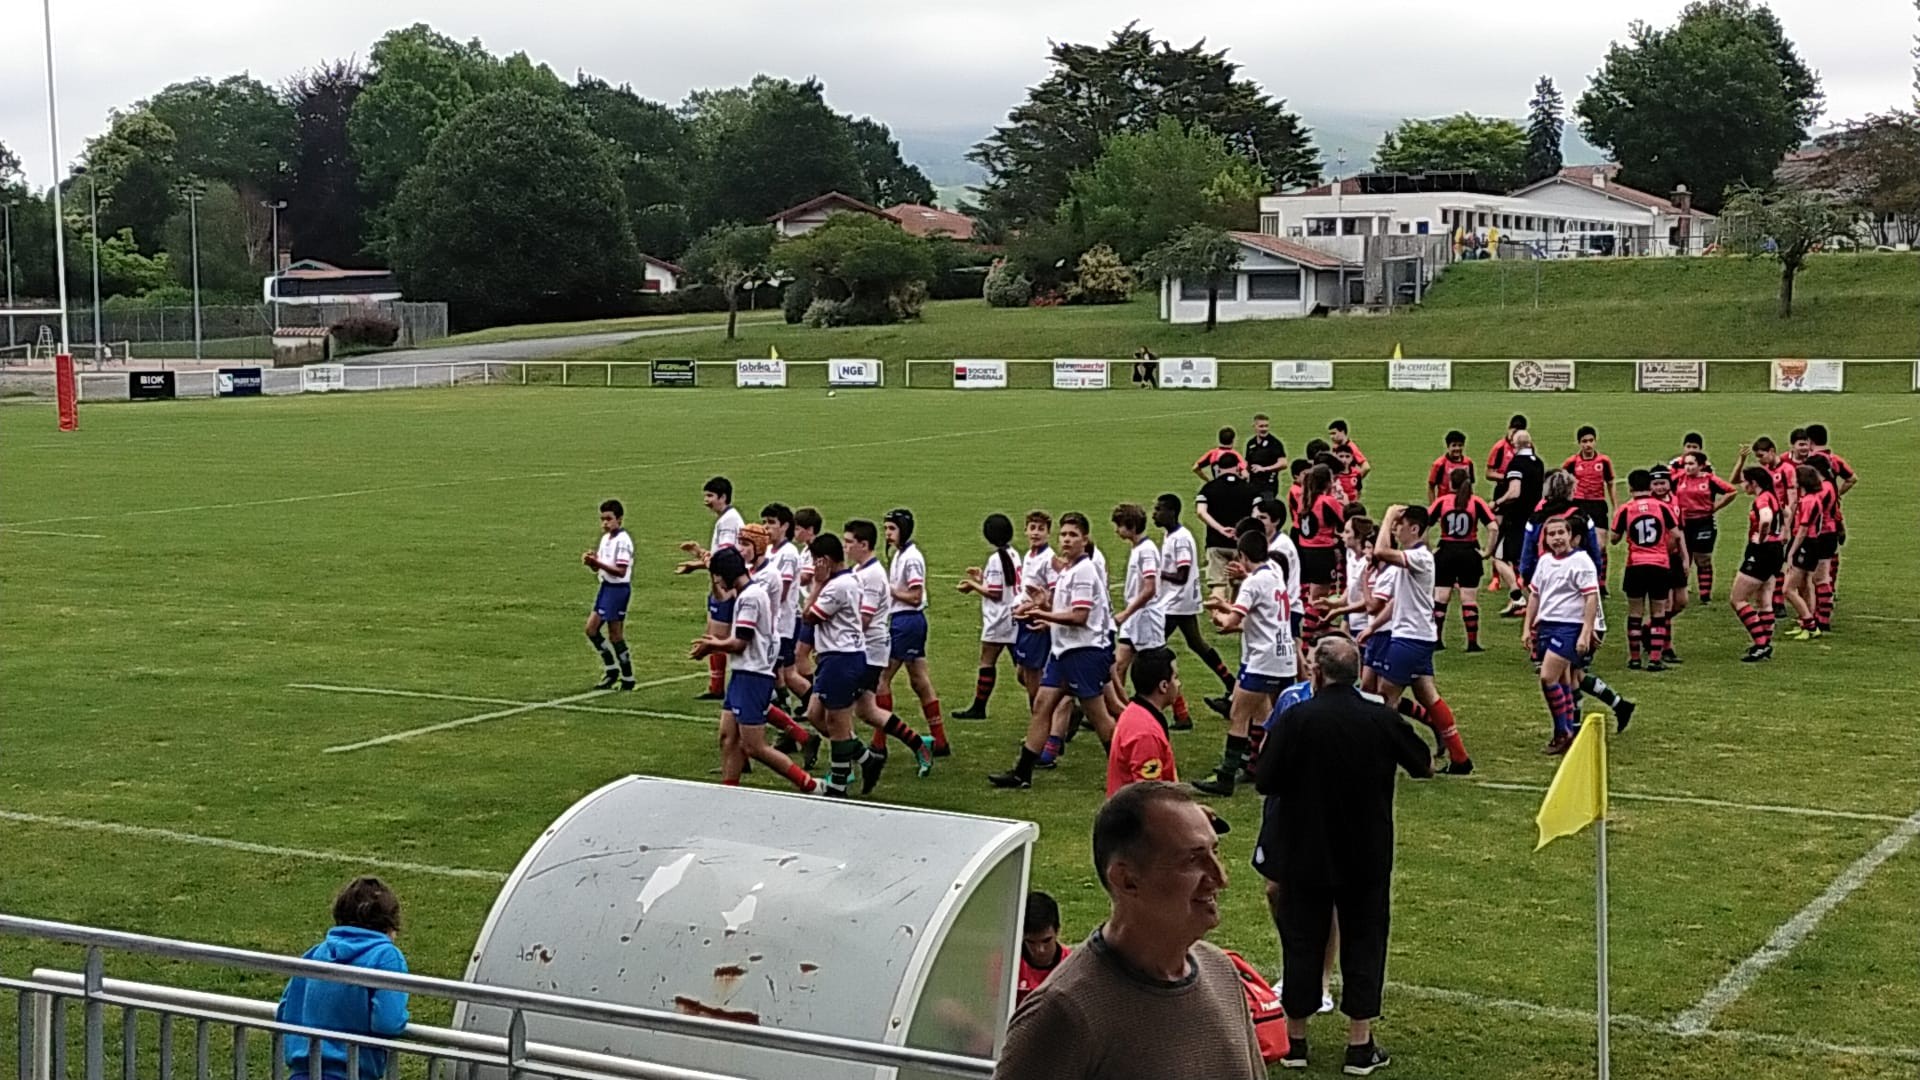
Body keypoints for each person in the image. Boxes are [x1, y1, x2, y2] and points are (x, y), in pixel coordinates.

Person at [992, 782, 1262, 1080]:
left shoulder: (1221, 971)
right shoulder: (1064, 1012)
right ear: (1126, 880)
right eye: (1192, 859)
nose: (1220, 878)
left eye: (1215, 852)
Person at [1254, 637, 1431, 1076]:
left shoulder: (1296, 719)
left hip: (1304, 850)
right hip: (1365, 852)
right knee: (1365, 942)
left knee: (1301, 942)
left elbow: (1265, 778)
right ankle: (1359, 1043)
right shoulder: (1379, 718)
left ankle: (1296, 1042)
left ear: (1316, 672)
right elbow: (1423, 762)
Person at [989, 513, 1118, 789]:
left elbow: (1080, 616)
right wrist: (1045, 609)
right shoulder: (1069, 570)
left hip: (1083, 652)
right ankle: (1023, 772)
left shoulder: (1083, 571)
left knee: (1098, 715)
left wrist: (1044, 616)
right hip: (1063, 652)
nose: (1067, 540)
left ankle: (1126, 770)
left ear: (1085, 540)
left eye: (1073, 535)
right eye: (1064, 534)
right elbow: (1066, 611)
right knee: (1041, 705)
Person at [692, 549, 819, 792]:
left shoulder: (750, 598)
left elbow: (740, 641)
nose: (717, 581)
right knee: (727, 737)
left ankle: (810, 785)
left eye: (718, 576)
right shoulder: (747, 593)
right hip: (743, 674)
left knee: (755, 747)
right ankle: (730, 791)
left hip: (753, 675)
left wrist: (712, 646)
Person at [1194, 526, 1296, 797]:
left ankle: (1225, 777)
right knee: (1273, 715)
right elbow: (1260, 613)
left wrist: (1218, 614)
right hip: (1285, 655)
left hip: (1263, 659)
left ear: (1241, 555)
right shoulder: (1274, 572)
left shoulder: (1252, 583)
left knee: (1239, 714)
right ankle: (1266, 766)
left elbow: (1231, 623)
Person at [1372, 505, 1473, 775]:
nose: (1395, 528)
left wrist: (1387, 515)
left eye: (1400, 524)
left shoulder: (1420, 557)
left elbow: (1380, 551)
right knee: (1428, 696)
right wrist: (1374, 626)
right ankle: (1460, 758)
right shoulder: (1416, 557)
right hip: (1418, 637)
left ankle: (1394, 759)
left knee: (1385, 699)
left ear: (1414, 528)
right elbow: (1400, 599)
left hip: (1409, 639)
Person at [277, 877, 411, 1080]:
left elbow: (285, 1008)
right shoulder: (386, 955)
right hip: (352, 1072)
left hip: (304, 1072)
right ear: (390, 925)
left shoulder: (316, 952)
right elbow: (388, 1022)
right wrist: (403, 1018)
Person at [848, 519, 933, 790]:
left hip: (880, 640)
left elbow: (866, 617)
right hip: (871, 641)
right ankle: (914, 745)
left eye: (892, 528)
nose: (888, 534)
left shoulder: (876, 574)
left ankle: (852, 765)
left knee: (840, 709)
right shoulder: (866, 568)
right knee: (865, 709)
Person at [1523, 518, 1601, 755]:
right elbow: (1535, 596)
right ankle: (1569, 729)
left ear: (1570, 536)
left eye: (1561, 533)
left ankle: (1561, 731)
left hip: (1568, 627)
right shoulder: (1545, 561)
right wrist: (1527, 627)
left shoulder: (1581, 561)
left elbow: (1591, 597)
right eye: (1551, 534)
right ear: (1545, 539)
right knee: (1564, 680)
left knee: (1548, 678)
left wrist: (1586, 631)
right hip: (1546, 625)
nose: (1556, 538)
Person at [1154, 494, 1235, 717]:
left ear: (1172, 512)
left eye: (1158, 509)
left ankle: (1179, 710)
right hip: (1181, 601)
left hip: (1176, 603)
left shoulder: (1180, 539)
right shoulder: (1171, 536)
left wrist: (1156, 572)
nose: (1154, 514)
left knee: (1151, 649)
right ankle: (1231, 684)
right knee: (1197, 644)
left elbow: (1181, 575)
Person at [800, 532, 867, 797]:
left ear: (825, 561)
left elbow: (808, 617)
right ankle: (865, 758)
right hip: (834, 657)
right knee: (815, 714)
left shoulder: (836, 587)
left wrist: (816, 585)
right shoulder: (846, 580)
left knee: (837, 722)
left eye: (816, 561)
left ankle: (838, 784)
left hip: (842, 658)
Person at [880, 508, 948, 757]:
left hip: (906, 621)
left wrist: (889, 590)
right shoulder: (901, 554)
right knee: (919, 680)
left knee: (881, 679)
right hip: (909, 622)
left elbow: (915, 595)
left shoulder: (911, 558)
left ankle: (879, 742)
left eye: (892, 529)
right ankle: (940, 739)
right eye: (886, 528)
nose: (887, 534)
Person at [677, 476, 745, 700]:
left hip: (724, 587)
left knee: (716, 636)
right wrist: (697, 563)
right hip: (719, 582)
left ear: (723, 497)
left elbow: (723, 555)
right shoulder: (727, 518)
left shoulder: (728, 521)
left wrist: (699, 554)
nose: (706, 501)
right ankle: (716, 686)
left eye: (710, 496)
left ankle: (719, 687)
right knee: (713, 633)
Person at [1611, 469, 1682, 671]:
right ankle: (1654, 659)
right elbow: (1676, 534)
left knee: (1635, 613)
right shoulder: (1662, 507)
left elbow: (1614, 539)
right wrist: (1662, 549)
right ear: (1650, 486)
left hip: (1635, 565)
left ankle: (1634, 658)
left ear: (1630, 487)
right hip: (1659, 565)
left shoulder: (1626, 509)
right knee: (1658, 612)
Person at [955, 514, 1020, 719]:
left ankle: (979, 707)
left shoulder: (996, 558)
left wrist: (972, 585)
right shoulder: (1013, 553)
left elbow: (995, 593)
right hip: (1013, 615)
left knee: (987, 661)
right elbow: (1005, 584)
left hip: (999, 618)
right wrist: (981, 578)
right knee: (1022, 667)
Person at [1427, 471, 1494, 653]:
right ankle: (1472, 643)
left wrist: (1428, 549)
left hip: (1446, 552)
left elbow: (1425, 523)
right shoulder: (1476, 502)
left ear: (1450, 483)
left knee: (1440, 597)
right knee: (1468, 598)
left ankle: (1437, 640)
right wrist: (1487, 551)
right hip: (1469, 552)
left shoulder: (1442, 502)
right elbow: (1493, 527)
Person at [1109, 504, 1164, 716]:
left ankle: (1179, 711)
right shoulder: (1138, 548)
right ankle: (1118, 711)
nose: (1116, 530)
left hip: (1146, 618)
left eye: (1119, 526)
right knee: (1119, 665)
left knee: (1157, 667)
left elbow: (1150, 588)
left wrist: (1126, 613)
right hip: (1135, 618)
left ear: (1130, 526)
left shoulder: (1147, 551)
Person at [1108, 646, 1181, 796]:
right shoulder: (1146, 734)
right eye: (1176, 678)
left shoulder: (1135, 712)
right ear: (1163, 686)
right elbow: (1148, 796)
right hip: (1138, 817)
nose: (1179, 684)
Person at [581, 499, 636, 691]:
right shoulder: (606, 539)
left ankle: (627, 676)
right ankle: (612, 669)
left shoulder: (623, 541)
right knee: (591, 629)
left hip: (618, 590)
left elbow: (620, 571)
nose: (605, 523)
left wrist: (599, 563)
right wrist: (593, 563)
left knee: (615, 635)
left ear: (619, 519)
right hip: (606, 588)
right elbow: (602, 569)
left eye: (609, 519)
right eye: (602, 519)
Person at [1732, 466, 1785, 662]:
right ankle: (1765, 642)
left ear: (1754, 483)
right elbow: (1785, 514)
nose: (1743, 485)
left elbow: (1766, 519)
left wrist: (1761, 537)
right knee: (1764, 599)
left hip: (1762, 551)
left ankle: (1762, 643)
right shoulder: (1773, 496)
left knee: (1738, 599)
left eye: (1745, 481)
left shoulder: (1762, 499)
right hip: (1776, 551)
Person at [1491, 430, 1545, 617]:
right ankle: (1532, 600)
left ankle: (1517, 596)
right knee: (1527, 560)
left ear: (1515, 445)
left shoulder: (1516, 463)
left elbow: (1514, 492)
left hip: (1518, 519)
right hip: (1536, 518)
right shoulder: (1538, 463)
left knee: (1498, 557)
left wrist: (1497, 503)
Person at [1674, 451, 1737, 604]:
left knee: (1703, 559)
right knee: (1682, 557)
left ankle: (1705, 595)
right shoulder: (1678, 479)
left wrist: (1715, 507)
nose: (1687, 468)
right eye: (1686, 464)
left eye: (1691, 464)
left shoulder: (1709, 480)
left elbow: (1731, 491)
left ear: (1700, 465)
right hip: (1683, 523)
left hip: (1704, 523)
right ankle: (1680, 591)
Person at [1295, 464, 1346, 647]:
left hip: (1306, 551)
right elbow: (1343, 523)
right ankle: (1305, 641)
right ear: (1328, 481)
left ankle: (1319, 628)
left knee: (1314, 595)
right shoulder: (1327, 501)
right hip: (1322, 552)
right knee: (1318, 598)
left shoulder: (1305, 499)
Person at [1196, 453, 1256, 605]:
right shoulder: (1249, 489)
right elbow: (1256, 514)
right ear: (1237, 467)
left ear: (1217, 468)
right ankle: (1233, 615)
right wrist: (1240, 530)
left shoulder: (1209, 488)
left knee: (1218, 584)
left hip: (1215, 543)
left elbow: (1201, 512)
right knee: (1239, 582)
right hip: (1241, 544)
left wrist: (1221, 529)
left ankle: (1217, 616)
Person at [1562, 426, 1617, 587]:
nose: (1588, 445)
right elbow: (1562, 482)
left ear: (1595, 441)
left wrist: (1616, 506)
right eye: (1584, 441)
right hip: (1578, 504)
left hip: (1598, 504)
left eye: (1590, 441)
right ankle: (1579, 580)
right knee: (1577, 543)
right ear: (1579, 443)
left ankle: (1601, 582)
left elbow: (1611, 483)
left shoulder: (1604, 461)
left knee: (1600, 546)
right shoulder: (1572, 462)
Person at [1018, 891, 1072, 1006]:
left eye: (1046, 940)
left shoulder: (1072, 965)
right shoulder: (1007, 966)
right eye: (1031, 942)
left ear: (1057, 930)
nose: (1040, 949)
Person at [1244, 414, 1288, 498]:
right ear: (1254, 426)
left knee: (1266, 508)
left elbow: (1283, 463)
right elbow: (1248, 463)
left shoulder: (1274, 443)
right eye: (1261, 426)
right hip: (1252, 486)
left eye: (1266, 426)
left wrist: (1264, 469)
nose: (1264, 429)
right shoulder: (1251, 443)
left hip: (1268, 487)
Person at [1425, 430, 1474, 503]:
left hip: (1463, 503)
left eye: (1460, 445)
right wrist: (1433, 506)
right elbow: (1431, 487)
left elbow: (1470, 485)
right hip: (1445, 503)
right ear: (1448, 447)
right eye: (1454, 445)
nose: (1457, 448)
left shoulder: (1468, 462)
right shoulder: (1439, 464)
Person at [1325, 420, 1370, 489]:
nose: (1331, 437)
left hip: (1347, 489)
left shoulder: (1351, 448)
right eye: (1330, 434)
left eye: (1334, 433)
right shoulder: (1335, 447)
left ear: (1342, 432)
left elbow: (1366, 467)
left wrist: (1353, 481)